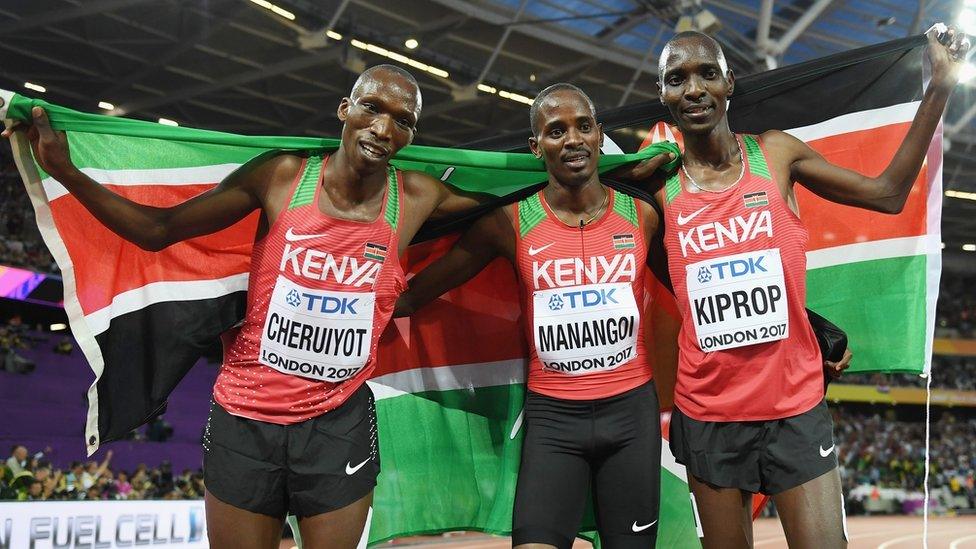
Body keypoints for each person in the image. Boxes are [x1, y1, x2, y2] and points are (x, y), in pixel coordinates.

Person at [2, 64, 489, 548]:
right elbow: (158, 231)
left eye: (403, 121)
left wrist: (557, 166)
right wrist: (64, 170)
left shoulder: (418, 197)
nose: (383, 128)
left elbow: (511, 205)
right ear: (345, 109)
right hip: (245, 416)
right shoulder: (282, 178)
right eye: (372, 108)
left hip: (339, 421)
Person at [649, 26, 970, 549]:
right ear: (662, 94)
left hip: (794, 406)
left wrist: (939, 85)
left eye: (707, 73)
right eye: (676, 79)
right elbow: (672, 275)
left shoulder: (775, 155)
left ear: (730, 83)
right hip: (709, 413)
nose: (693, 89)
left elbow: (888, 195)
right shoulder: (656, 185)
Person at [395, 83, 675, 548]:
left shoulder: (641, 212)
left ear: (598, 134)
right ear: (535, 146)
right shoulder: (509, 221)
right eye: (556, 130)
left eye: (584, 127)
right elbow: (414, 296)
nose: (572, 140)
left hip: (631, 415)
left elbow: (696, 284)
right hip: (553, 420)